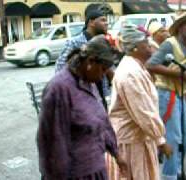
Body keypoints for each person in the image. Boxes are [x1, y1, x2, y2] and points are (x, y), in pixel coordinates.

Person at [37, 35, 127, 180]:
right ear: (90, 61)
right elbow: (52, 144)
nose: (103, 77)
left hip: (96, 169)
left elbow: (102, 121)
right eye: (103, 70)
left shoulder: (88, 82)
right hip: (74, 174)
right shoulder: (59, 89)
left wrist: (116, 153)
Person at [107, 25, 172, 180]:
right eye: (146, 42)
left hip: (139, 139)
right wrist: (161, 141)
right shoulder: (130, 73)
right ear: (135, 48)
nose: (150, 45)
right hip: (130, 143)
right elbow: (143, 112)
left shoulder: (137, 67)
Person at [146, 12, 186, 179]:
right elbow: (150, 65)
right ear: (179, 28)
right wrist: (180, 76)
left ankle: (177, 171)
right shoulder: (170, 44)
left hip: (178, 94)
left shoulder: (185, 46)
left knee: (185, 136)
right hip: (166, 94)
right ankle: (169, 176)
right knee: (173, 137)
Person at [54, 10, 113, 110]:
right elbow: (60, 68)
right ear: (91, 22)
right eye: (103, 20)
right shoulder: (75, 42)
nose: (106, 23)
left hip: (100, 98)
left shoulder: (103, 42)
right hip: (82, 100)